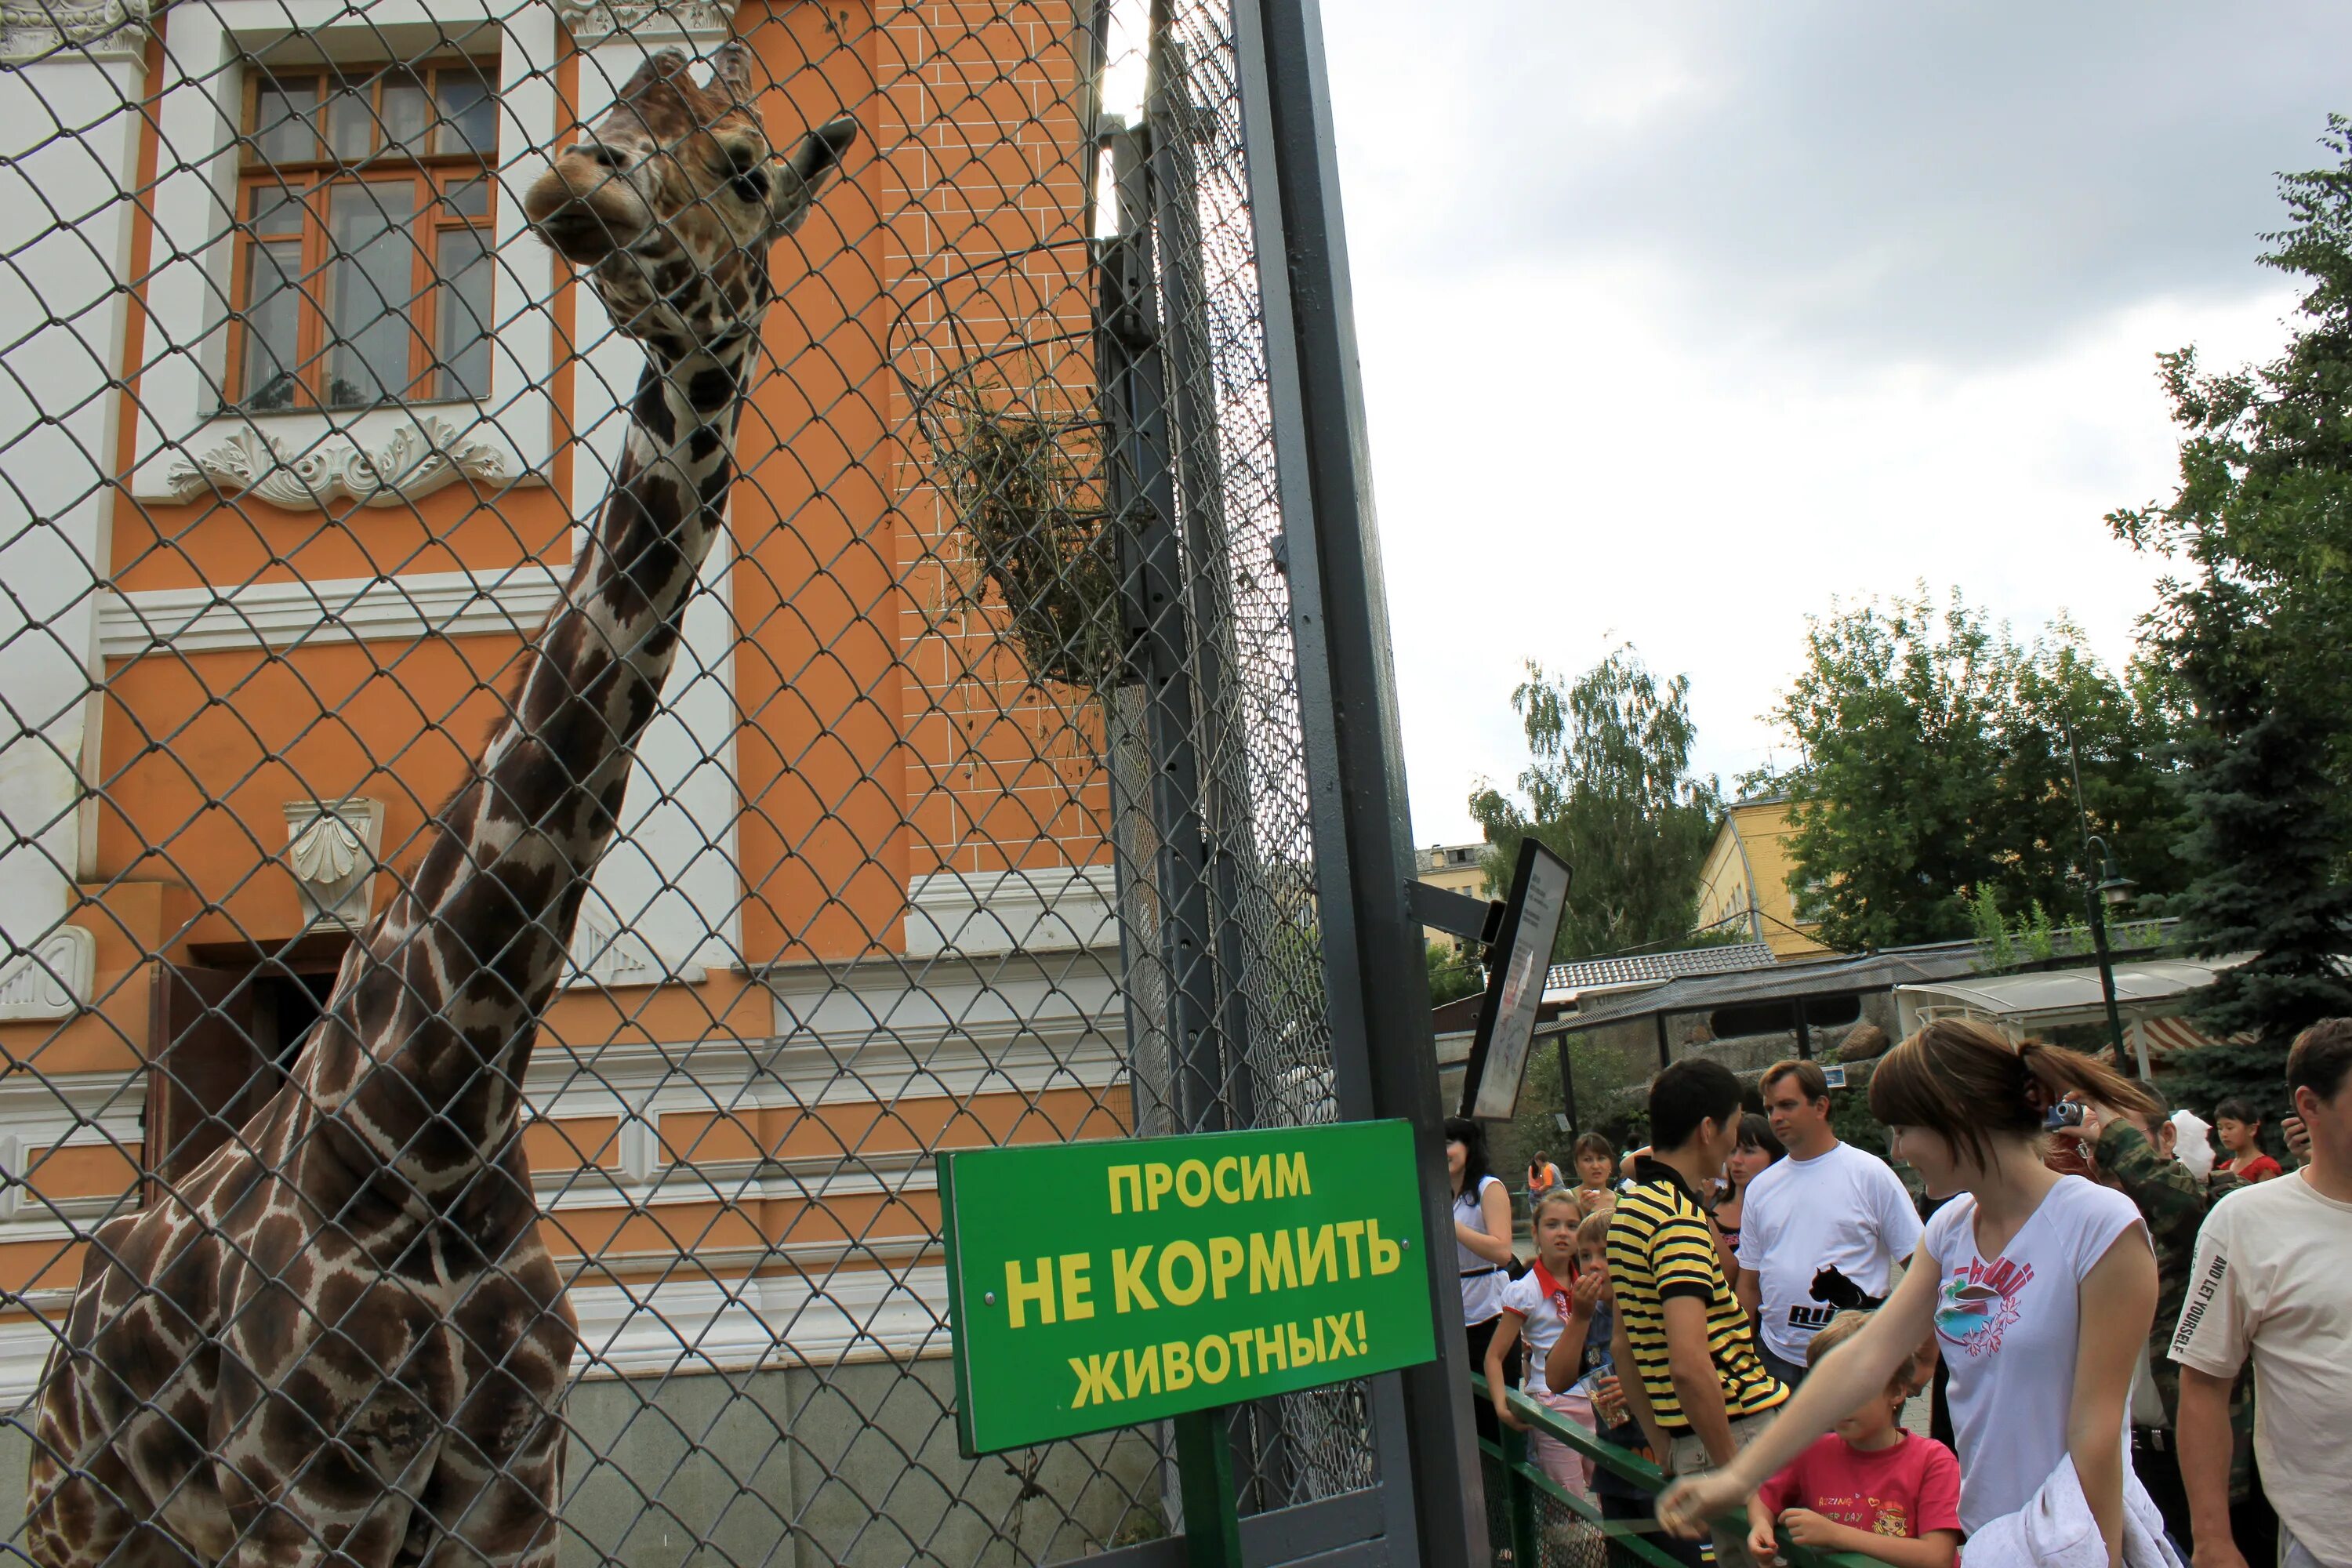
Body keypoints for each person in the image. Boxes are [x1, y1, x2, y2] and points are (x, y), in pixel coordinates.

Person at [1655, 1020, 2166, 1563]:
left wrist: (2103, 1557)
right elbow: (1863, 1358)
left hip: (2071, 1542)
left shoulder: (2098, 1226)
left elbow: (2098, 1429)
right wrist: (1738, 1479)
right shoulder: (1950, 1230)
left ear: (1956, 1116)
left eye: (1903, 1128)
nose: (1898, 1149)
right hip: (1992, 1540)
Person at [2049, 1082, 2268, 1559]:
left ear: (2167, 1138)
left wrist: (2113, 1134)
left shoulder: (2222, 1201)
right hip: (2126, 1468)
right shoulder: (2077, 1227)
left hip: (2219, 1472)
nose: (2100, 1150)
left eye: (2114, 1135)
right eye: (2087, 1142)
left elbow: (2189, 1215)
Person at [2173, 1019, 2352, 1568]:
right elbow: (2203, 1384)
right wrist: (2212, 1541)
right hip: (2326, 1544)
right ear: (2310, 1104)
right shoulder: (2245, 1222)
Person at [1607, 1058, 1789, 1568]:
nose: (1735, 1144)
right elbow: (1689, 1363)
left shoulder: (1631, 1210)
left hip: (1693, 1443)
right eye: (1734, 1126)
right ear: (1709, 1128)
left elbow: (1624, 1345)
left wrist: (1666, 1445)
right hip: (1738, 1432)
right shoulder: (1678, 1222)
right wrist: (1739, 1479)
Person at [1736, 1058, 1923, 1389]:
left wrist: (1921, 1355)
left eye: (1787, 1105)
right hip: (1777, 1359)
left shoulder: (1870, 1174)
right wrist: (1742, 1355)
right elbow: (1749, 1284)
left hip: (1857, 1355)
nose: (1776, 1117)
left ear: (1821, 1106)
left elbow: (1922, 1269)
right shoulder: (1761, 1188)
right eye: (1770, 1108)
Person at [1743, 1310, 1961, 1568]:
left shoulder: (1934, 1461)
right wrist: (1760, 1525)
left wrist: (1837, 1535)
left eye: (1855, 1388)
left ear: (1898, 1390)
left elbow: (1938, 1556)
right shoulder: (1812, 1450)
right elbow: (1764, 1496)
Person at [1486, 1187, 1593, 1492]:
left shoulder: (1588, 1278)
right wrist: (1501, 1404)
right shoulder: (1526, 1290)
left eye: (1572, 1226)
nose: (1563, 1233)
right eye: (1552, 1225)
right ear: (1535, 1231)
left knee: (1608, 1493)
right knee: (1567, 1502)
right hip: (1552, 1405)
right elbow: (1494, 1356)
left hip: (1596, 1401)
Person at [1448, 1114, 1517, 1444]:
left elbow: (1503, 1251)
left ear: (1469, 1147)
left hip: (1490, 1310)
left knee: (1496, 1412)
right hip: (1454, 1313)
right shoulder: (1443, 1195)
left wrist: (1454, 1229)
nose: (1441, 1153)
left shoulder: (1488, 1188)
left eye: (1448, 1144)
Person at [1712, 1112, 1785, 1275]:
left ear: (1773, 1156)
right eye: (1732, 1151)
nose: (1737, 1160)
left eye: (1749, 1151)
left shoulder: (1784, 1212)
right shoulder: (1709, 1204)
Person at [2210, 1099, 2284, 1183]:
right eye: (2220, 1128)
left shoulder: (2265, 1167)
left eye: (2230, 1127)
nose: (2223, 1134)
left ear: (2252, 1129)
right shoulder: (2226, 1167)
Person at [1573, 1131, 1619, 1207]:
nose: (1596, 1166)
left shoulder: (1623, 1202)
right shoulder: (1565, 1200)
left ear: (1611, 1163)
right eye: (1588, 1160)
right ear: (1576, 1165)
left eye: (1601, 1158)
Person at [1527, 1148, 1564, 1214]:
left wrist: (1540, 1189)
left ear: (1539, 1160)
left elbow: (1548, 1184)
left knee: (1543, 1210)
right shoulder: (1554, 1166)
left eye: (1536, 1162)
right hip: (1562, 1191)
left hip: (1554, 1193)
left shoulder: (1547, 1169)